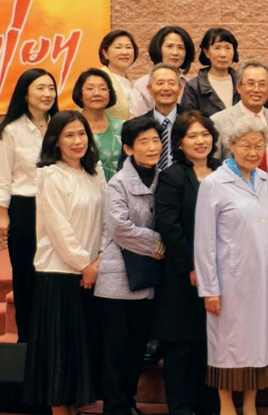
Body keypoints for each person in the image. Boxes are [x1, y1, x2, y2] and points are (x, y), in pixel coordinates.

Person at [194, 115, 268, 414]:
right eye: (246, 145)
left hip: (264, 279)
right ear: (231, 146)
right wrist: (210, 288)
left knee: (259, 344)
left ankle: (250, 404)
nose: (253, 151)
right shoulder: (214, 184)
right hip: (230, 282)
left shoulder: (263, 179)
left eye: (259, 146)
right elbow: (204, 241)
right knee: (228, 345)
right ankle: (226, 406)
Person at [21, 111, 107, 412]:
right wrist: (84, 264)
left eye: (82, 134)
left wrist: (98, 261)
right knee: (60, 356)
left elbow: (106, 220)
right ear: (56, 141)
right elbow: (59, 228)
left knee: (79, 355)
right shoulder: (50, 175)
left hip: (91, 273)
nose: (77, 141)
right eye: (69, 135)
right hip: (59, 273)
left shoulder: (94, 172)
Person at [95, 116, 166, 415]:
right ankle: (115, 407)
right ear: (128, 148)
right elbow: (119, 227)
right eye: (143, 142)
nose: (151, 147)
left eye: (155, 141)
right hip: (118, 279)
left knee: (137, 348)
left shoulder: (163, 177)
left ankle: (129, 402)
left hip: (147, 278)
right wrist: (157, 244)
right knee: (116, 350)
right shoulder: (118, 183)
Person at [153, 111, 221, 415]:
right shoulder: (172, 176)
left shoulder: (223, 171)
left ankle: (209, 404)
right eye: (192, 136)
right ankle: (181, 407)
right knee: (182, 344)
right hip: (183, 275)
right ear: (179, 142)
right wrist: (193, 266)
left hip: (221, 272)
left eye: (205, 134)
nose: (200, 141)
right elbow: (170, 227)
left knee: (211, 342)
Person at [0, 69, 58, 342]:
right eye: (40, 88)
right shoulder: (11, 131)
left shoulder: (61, 126)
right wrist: (3, 214)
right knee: (26, 276)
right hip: (24, 208)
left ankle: (53, 339)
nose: (47, 94)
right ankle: (27, 342)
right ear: (25, 94)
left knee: (54, 274)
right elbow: (3, 176)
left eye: (51, 88)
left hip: (58, 206)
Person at [212, 61, 268, 186]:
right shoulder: (218, 121)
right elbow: (214, 164)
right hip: (234, 188)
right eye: (251, 84)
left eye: (262, 84)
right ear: (239, 87)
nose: (256, 90)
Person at [129, 26, 195, 117]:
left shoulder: (191, 85)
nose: (175, 52)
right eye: (169, 46)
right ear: (158, 49)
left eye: (180, 47)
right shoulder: (142, 85)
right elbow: (138, 120)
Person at [74, 68, 123, 181]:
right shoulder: (69, 127)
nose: (97, 93)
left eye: (103, 89)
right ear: (80, 94)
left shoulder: (121, 128)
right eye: (90, 89)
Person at [180, 27, 241, 117]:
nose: (223, 54)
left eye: (228, 48)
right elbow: (187, 119)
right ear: (206, 52)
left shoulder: (243, 83)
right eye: (217, 48)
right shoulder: (194, 87)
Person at [144, 63, 184, 171]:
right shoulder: (139, 125)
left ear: (180, 89)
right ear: (149, 89)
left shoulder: (193, 122)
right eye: (160, 83)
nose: (166, 88)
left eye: (171, 83)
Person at [100, 30, 139, 122]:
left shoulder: (132, 83)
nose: (124, 52)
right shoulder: (99, 79)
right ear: (105, 53)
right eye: (118, 47)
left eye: (128, 47)